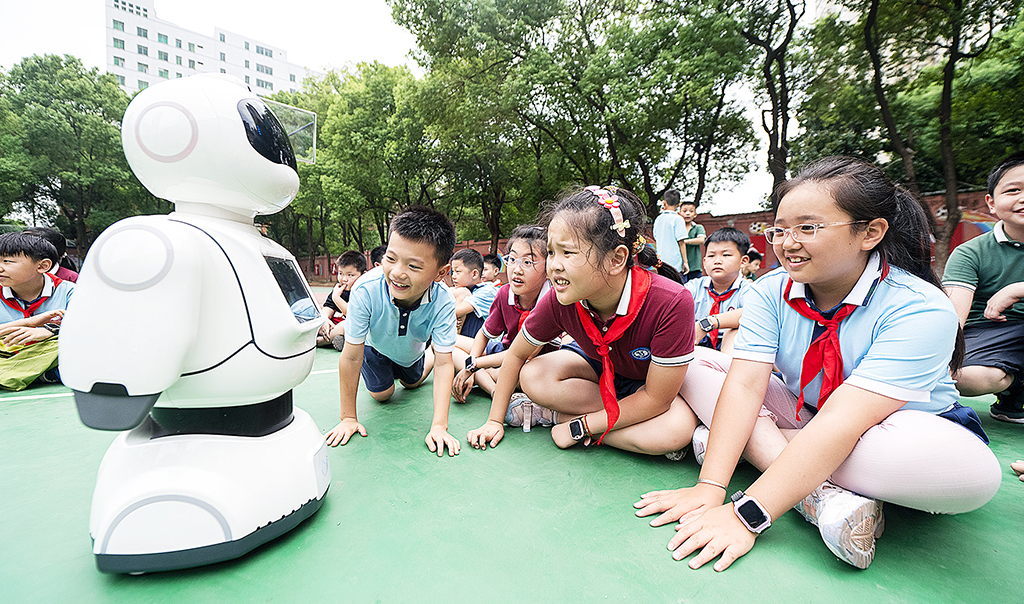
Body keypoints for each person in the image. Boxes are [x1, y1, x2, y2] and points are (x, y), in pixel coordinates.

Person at [634, 157, 1000, 571]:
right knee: (696, 361)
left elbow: (844, 420)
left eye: (808, 228)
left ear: (871, 232)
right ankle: (822, 498)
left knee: (972, 476)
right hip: (806, 412)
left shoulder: (919, 307)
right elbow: (744, 387)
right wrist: (711, 485)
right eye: (780, 229)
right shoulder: (769, 292)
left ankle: (756, 448)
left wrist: (747, 514)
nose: (788, 243)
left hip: (893, 432)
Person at [467, 186, 699, 457]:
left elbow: (657, 399)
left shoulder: (671, 301)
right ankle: (626, 422)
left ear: (616, 259)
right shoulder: (560, 299)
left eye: (568, 252)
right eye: (551, 253)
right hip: (597, 373)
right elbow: (517, 356)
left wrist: (579, 427)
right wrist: (495, 420)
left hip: (646, 385)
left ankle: (558, 417)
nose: (553, 266)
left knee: (675, 431)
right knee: (533, 374)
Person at [324, 206, 461, 457]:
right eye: (391, 258)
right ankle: (391, 374)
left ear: (441, 272)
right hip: (375, 349)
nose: (398, 272)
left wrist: (439, 426)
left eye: (414, 266)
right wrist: (347, 418)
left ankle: (422, 360)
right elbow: (352, 355)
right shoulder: (366, 289)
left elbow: (444, 365)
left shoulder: (443, 301)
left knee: (412, 383)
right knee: (382, 395)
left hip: (411, 353)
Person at [942, 151, 1024, 423]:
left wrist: (1018, 289)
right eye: (1013, 190)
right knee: (963, 377)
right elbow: (954, 317)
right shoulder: (970, 253)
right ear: (991, 202)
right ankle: (1016, 388)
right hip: (990, 334)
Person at [452, 225, 556, 403]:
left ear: (548, 268)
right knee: (449, 344)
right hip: (504, 352)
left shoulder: (551, 300)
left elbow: (524, 354)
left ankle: (491, 378)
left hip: (534, 362)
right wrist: (472, 363)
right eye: (513, 259)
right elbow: (483, 335)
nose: (516, 269)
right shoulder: (504, 293)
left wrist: (472, 367)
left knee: (524, 374)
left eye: (527, 262)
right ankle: (494, 390)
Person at [0, 232, 74, 390]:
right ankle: (45, 374)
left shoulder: (70, 292)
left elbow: (95, 327)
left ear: (42, 266)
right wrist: (27, 323)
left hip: (55, 353)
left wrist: (50, 331)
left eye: (7, 261)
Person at [685, 227, 751, 355]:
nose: (717, 261)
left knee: (733, 330)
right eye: (711, 255)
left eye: (726, 255)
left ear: (743, 261)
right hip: (697, 342)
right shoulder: (693, 287)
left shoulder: (748, 289)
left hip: (731, 348)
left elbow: (754, 311)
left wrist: (710, 322)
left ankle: (727, 372)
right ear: (704, 262)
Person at [449, 248, 498, 350]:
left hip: (484, 347)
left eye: (458, 271)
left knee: (442, 342)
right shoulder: (467, 290)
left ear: (474, 274)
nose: (453, 276)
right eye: (452, 272)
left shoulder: (488, 291)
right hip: (468, 342)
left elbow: (455, 312)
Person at [317, 250, 367, 350]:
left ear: (363, 275)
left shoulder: (364, 291)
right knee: (317, 317)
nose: (344, 279)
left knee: (347, 325)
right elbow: (328, 307)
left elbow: (353, 315)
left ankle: (321, 341)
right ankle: (334, 337)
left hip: (355, 326)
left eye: (350, 275)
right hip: (336, 326)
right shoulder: (340, 289)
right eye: (340, 273)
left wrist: (337, 298)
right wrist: (325, 320)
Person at [653, 189, 689, 274]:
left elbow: (656, 237)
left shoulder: (658, 219)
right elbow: (681, 242)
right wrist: (685, 262)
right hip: (675, 263)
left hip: (661, 261)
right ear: (679, 204)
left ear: (664, 202)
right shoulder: (678, 219)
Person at [678, 199, 706, 282]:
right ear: (679, 213)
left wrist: (683, 242)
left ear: (695, 214)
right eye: (684, 211)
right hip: (679, 266)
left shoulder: (698, 227)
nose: (687, 213)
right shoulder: (677, 228)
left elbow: (701, 240)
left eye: (691, 211)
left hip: (695, 266)